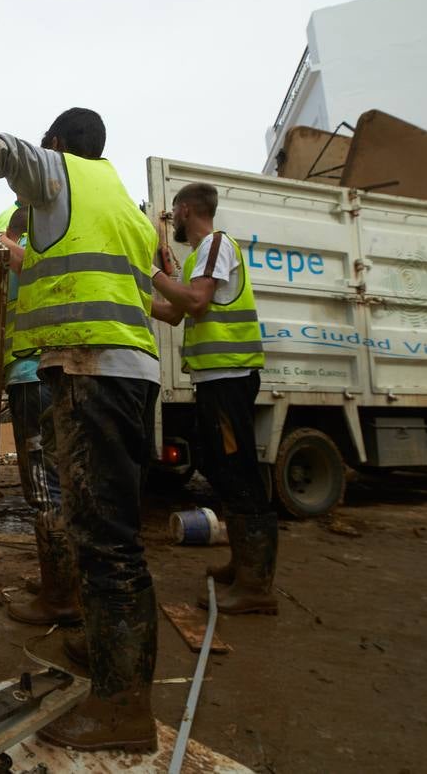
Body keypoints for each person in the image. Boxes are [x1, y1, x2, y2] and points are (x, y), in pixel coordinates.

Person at [0, 108, 160, 752]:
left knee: (106, 539)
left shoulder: (62, 174)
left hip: (96, 366)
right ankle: (108, 654)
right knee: (103, 528)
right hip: (112, 367)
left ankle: (124, 709)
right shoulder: (125, 206)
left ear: (59, 146)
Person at [149, 183, 275, 614]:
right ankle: (243, 566)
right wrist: (138, 293)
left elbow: (197, 302)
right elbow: (173, 311)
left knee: (239, 473)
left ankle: (256, 587)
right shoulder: (200, 256)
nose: (173, 220)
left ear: (185, 210)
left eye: (173, 214)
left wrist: (154, 276)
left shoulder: (216, 245)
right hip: (214, 380)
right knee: (222, 469)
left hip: (229, 378)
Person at [0, 205, 80, 627]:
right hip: (45, 371)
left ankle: (60, 596)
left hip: (33, 373)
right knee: (57, 477)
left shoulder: (26, 251)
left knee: (44, 486)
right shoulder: (54, 248)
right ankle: (58, 580)